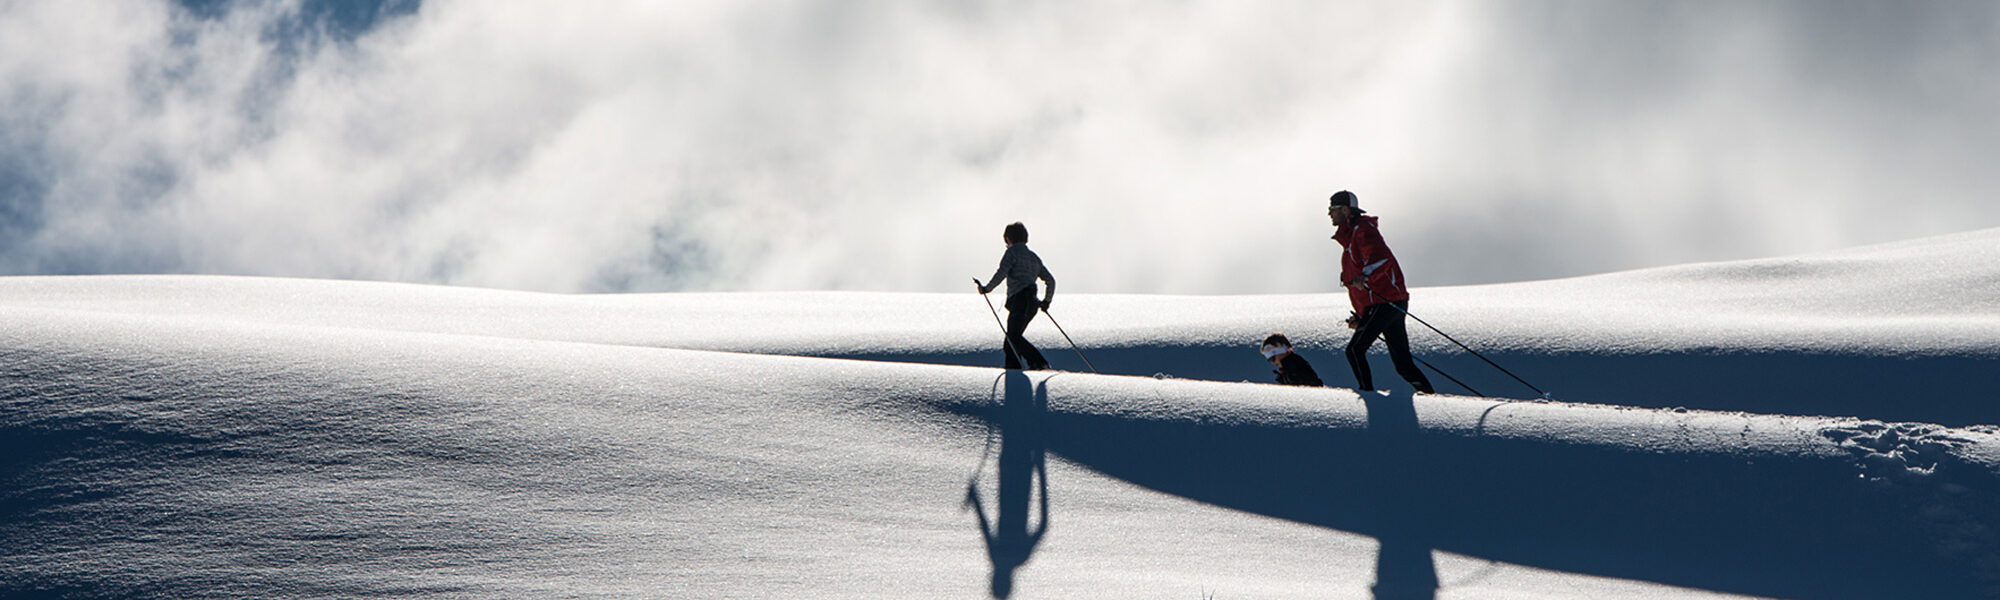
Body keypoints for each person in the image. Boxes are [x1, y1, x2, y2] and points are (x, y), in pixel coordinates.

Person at [1329, 190, 1435, 394]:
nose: (1329, 214)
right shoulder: (1352, 236)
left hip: (1385, 302)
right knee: (1403, 365)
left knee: (1354, 350)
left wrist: (1365, 276)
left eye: (1332, 209)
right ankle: (1431, 398)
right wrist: (1362, 318)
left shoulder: (1362, 229)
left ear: (1344, 209)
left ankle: (1367, 395)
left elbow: (1380, 259)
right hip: (1387, 303)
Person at [977, 222, 1055, 370]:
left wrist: (987, 289)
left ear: (1008, 238)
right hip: (1032, 302)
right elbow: (1051, 281)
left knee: (1012, 340)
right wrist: (1046, 301)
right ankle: (1018, 369)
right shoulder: (1034, 258)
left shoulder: (1012, 253)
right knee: (1011, 341)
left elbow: (1001, 273)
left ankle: (1036, 364)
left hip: (1020, 300)